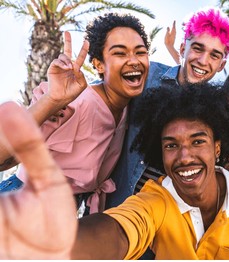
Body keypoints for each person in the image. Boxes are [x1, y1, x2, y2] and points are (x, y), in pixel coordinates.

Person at [0, 83, 229, 260]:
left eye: (197, 141)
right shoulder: (156, 198)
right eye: (171, 145)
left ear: (217, 148)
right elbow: (121, 229)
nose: (184, 156)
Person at [0, 13, 150, 215]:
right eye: (120, 53)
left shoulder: (127, 107)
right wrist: (53, 100)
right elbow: (5, 158)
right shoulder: (77, 103)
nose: (133, 61)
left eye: (140, 52)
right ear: (98, 65)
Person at [106, 7, 229, 208]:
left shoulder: (218, 111)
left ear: (221, 65)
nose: (203, 61)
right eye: (198, 48)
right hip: (119, 203)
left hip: (168, 220)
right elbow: (105, 93)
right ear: (183, 48)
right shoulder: (147, 77)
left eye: (214, 55)